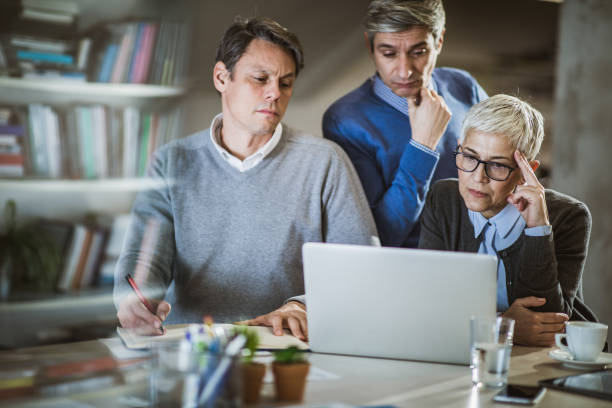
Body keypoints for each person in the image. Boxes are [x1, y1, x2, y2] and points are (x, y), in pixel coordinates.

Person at [113, 17, 377, 340]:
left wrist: (303, 306)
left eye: (285, 83)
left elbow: (361, 269)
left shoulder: (326, 162)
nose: (274, 94)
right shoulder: (171, 162)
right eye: (260, 78)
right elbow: (144, 259)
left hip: (286, 350)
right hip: (194, 348)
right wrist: (134, 300)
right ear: (222, 77)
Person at [419, 94, 597, 347]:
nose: (478, 177)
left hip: (548, 360)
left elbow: (545, 324)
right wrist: (501, 326)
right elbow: (427, 303)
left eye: (498, 166)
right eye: (469, 157)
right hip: (467, 350)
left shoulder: (569, 216)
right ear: (459, 148)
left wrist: (538, 229)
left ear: (527, 171)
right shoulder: (443, 198)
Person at [323, 0, 487, 248]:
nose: (405, 71)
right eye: (388, 53)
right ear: (370, 46)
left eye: (418, 52)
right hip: (407, 268)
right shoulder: (344, 120)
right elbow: (382, 235)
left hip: (485, 254)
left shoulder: (463, 86)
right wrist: (422, 146)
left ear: (439, 41)